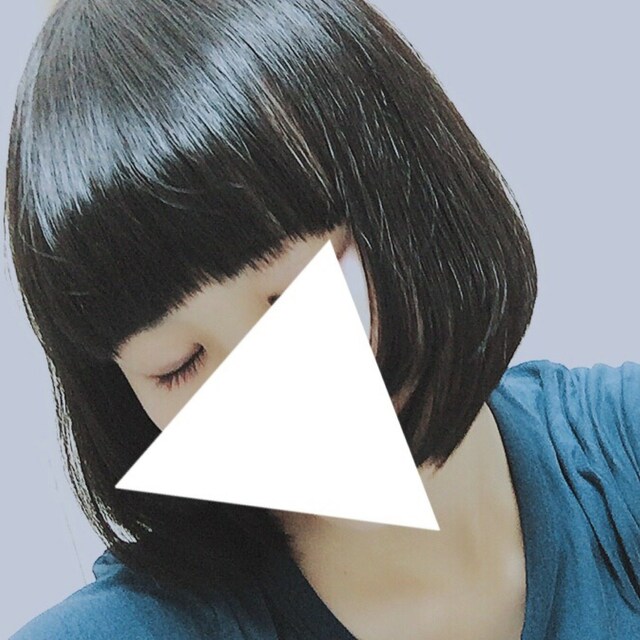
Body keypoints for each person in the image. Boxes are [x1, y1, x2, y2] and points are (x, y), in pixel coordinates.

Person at [5, 0, 639, 638]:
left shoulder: (619, 458)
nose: (268, 398)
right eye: (178, 365)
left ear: (412, 193)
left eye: (298, 294)